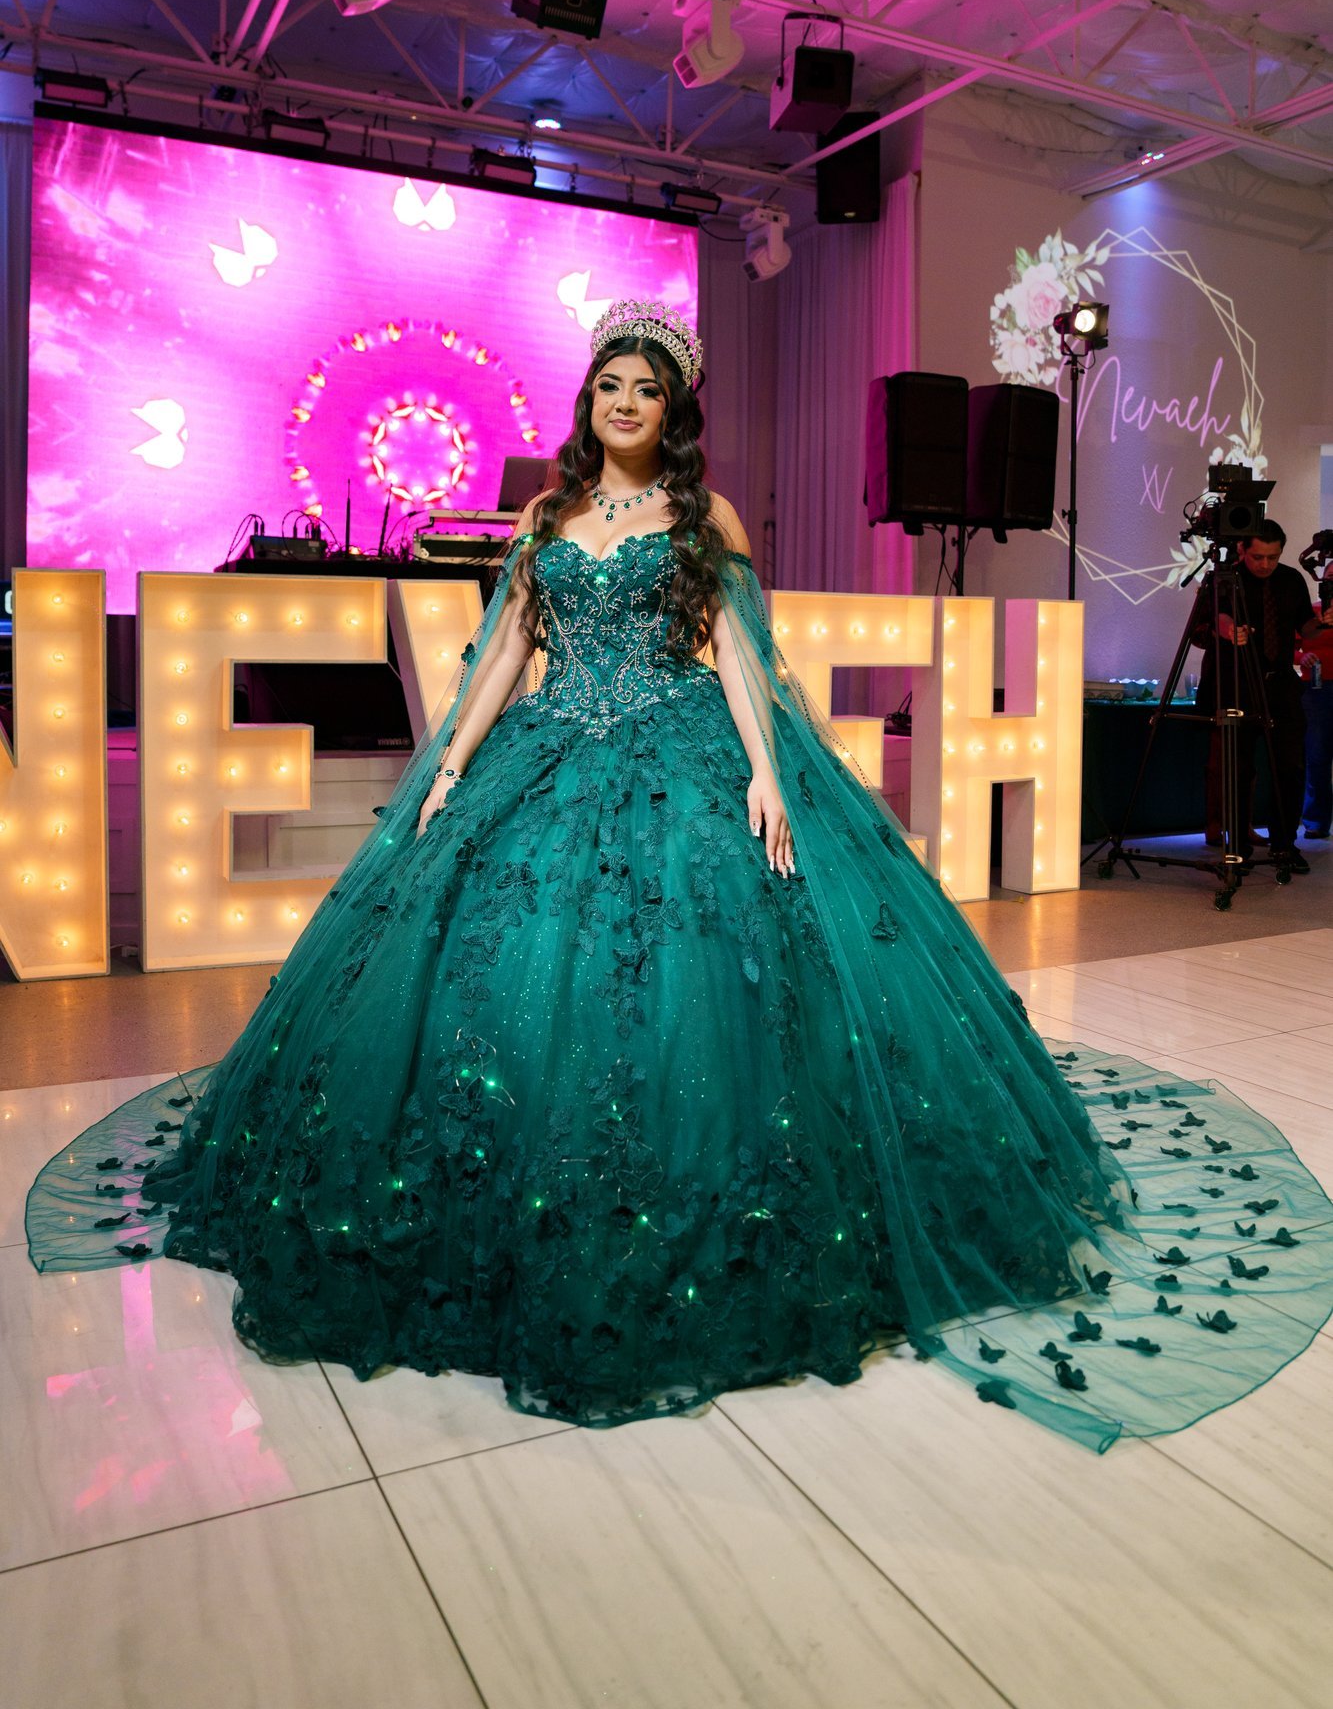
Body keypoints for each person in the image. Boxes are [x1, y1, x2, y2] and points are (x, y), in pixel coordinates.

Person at [26, 300, 1333, 1453]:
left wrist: (768, 774)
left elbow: (740, 657)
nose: (628, 404)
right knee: (506, 977)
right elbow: (498, 656)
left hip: (681, 752)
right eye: (611, 385)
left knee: (701, 977)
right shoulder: (545, 515)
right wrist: (445, 764)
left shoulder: (703, 516)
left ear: (676, 405)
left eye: (649, 388)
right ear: (588, 397)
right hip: (546, 754)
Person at [1189, 521, 1320, 865]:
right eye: (1258, 557)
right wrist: (1229, 629)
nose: (1265, 565)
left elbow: (1305, 625)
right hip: (1236, 684)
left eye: (1273, 557)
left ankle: (1285, 844)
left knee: (1290, 767)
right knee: (1238, 769)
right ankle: (1237, 848)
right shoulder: (1224, 579)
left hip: (1281, 684)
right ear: (1243, 550)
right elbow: (1206, 624)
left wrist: (1323, 622)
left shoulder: (1291, 579)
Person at [1297, 581, 1333, 838]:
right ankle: (1315, 821)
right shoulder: (1310, 613)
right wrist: (1302, 658)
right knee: (1317, 754)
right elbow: (1287, 648)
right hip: (1315, 688)